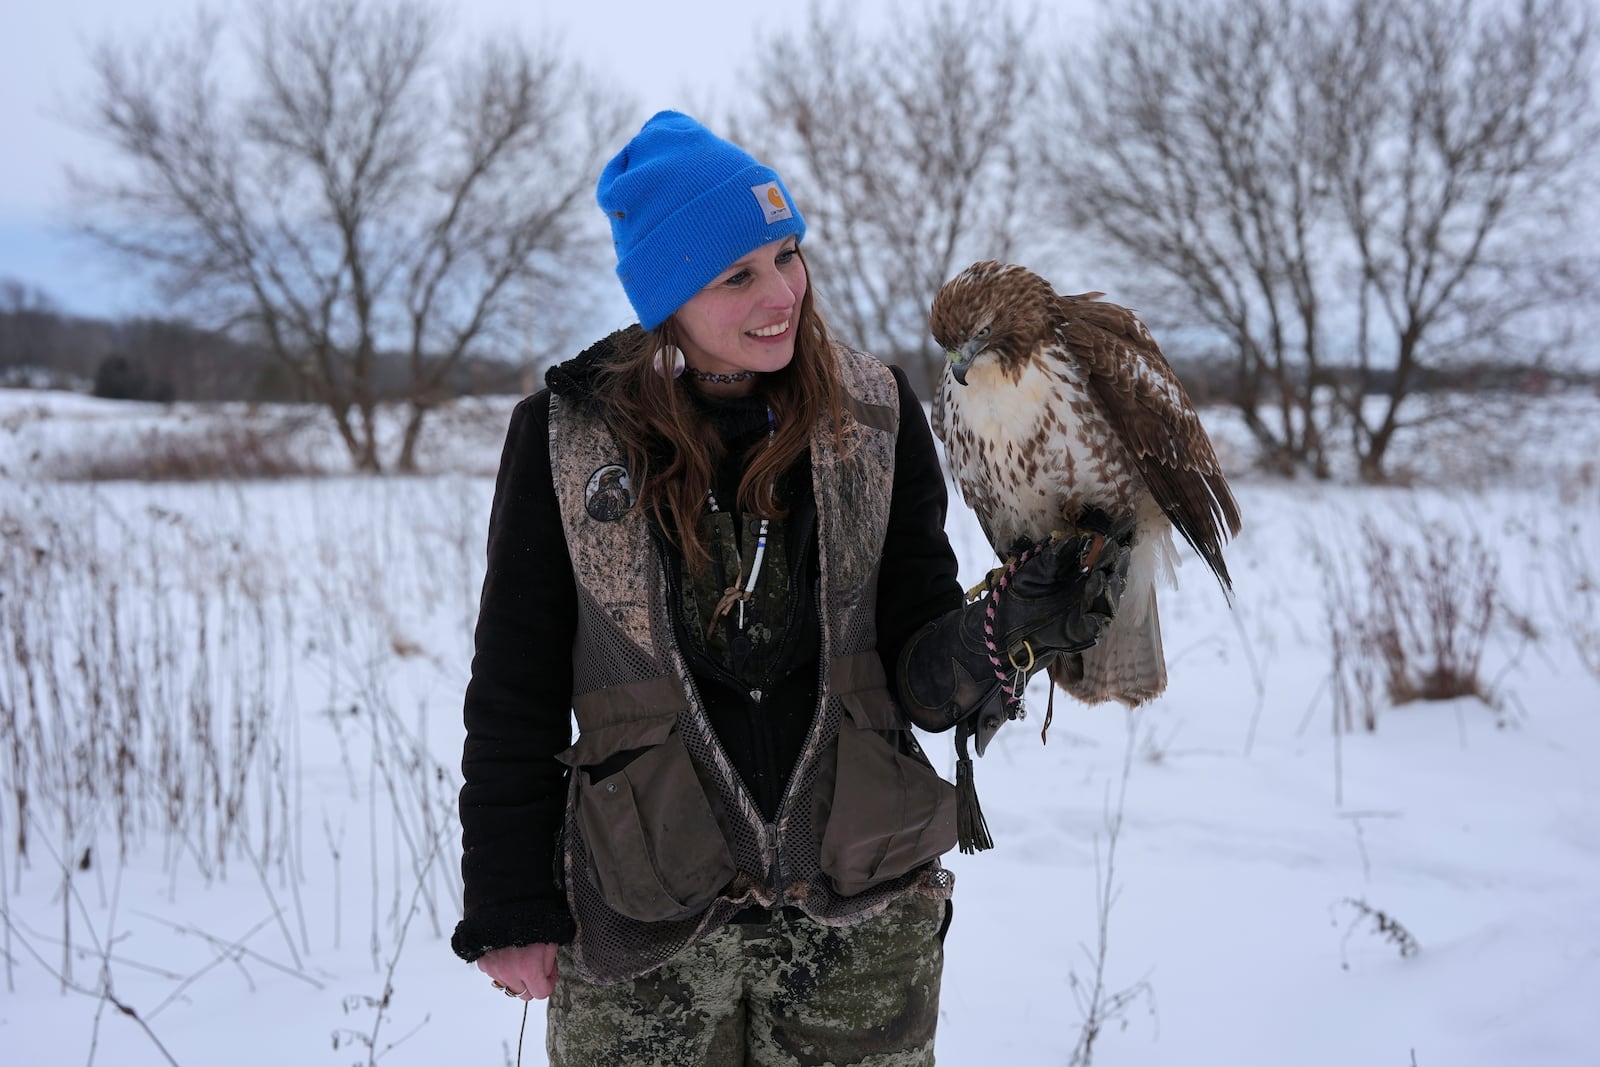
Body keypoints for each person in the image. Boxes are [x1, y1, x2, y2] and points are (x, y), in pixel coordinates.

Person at [451, 110, 1131, 1065]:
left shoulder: (877, 412)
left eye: (788, 253)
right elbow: (512, 688)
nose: (782, 293)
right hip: (643, 913)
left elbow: (916, 671)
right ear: (668, 295)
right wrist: (509, 903)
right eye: (738, 274)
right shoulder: (568, 435)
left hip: (857, 907)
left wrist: (1001, 631)